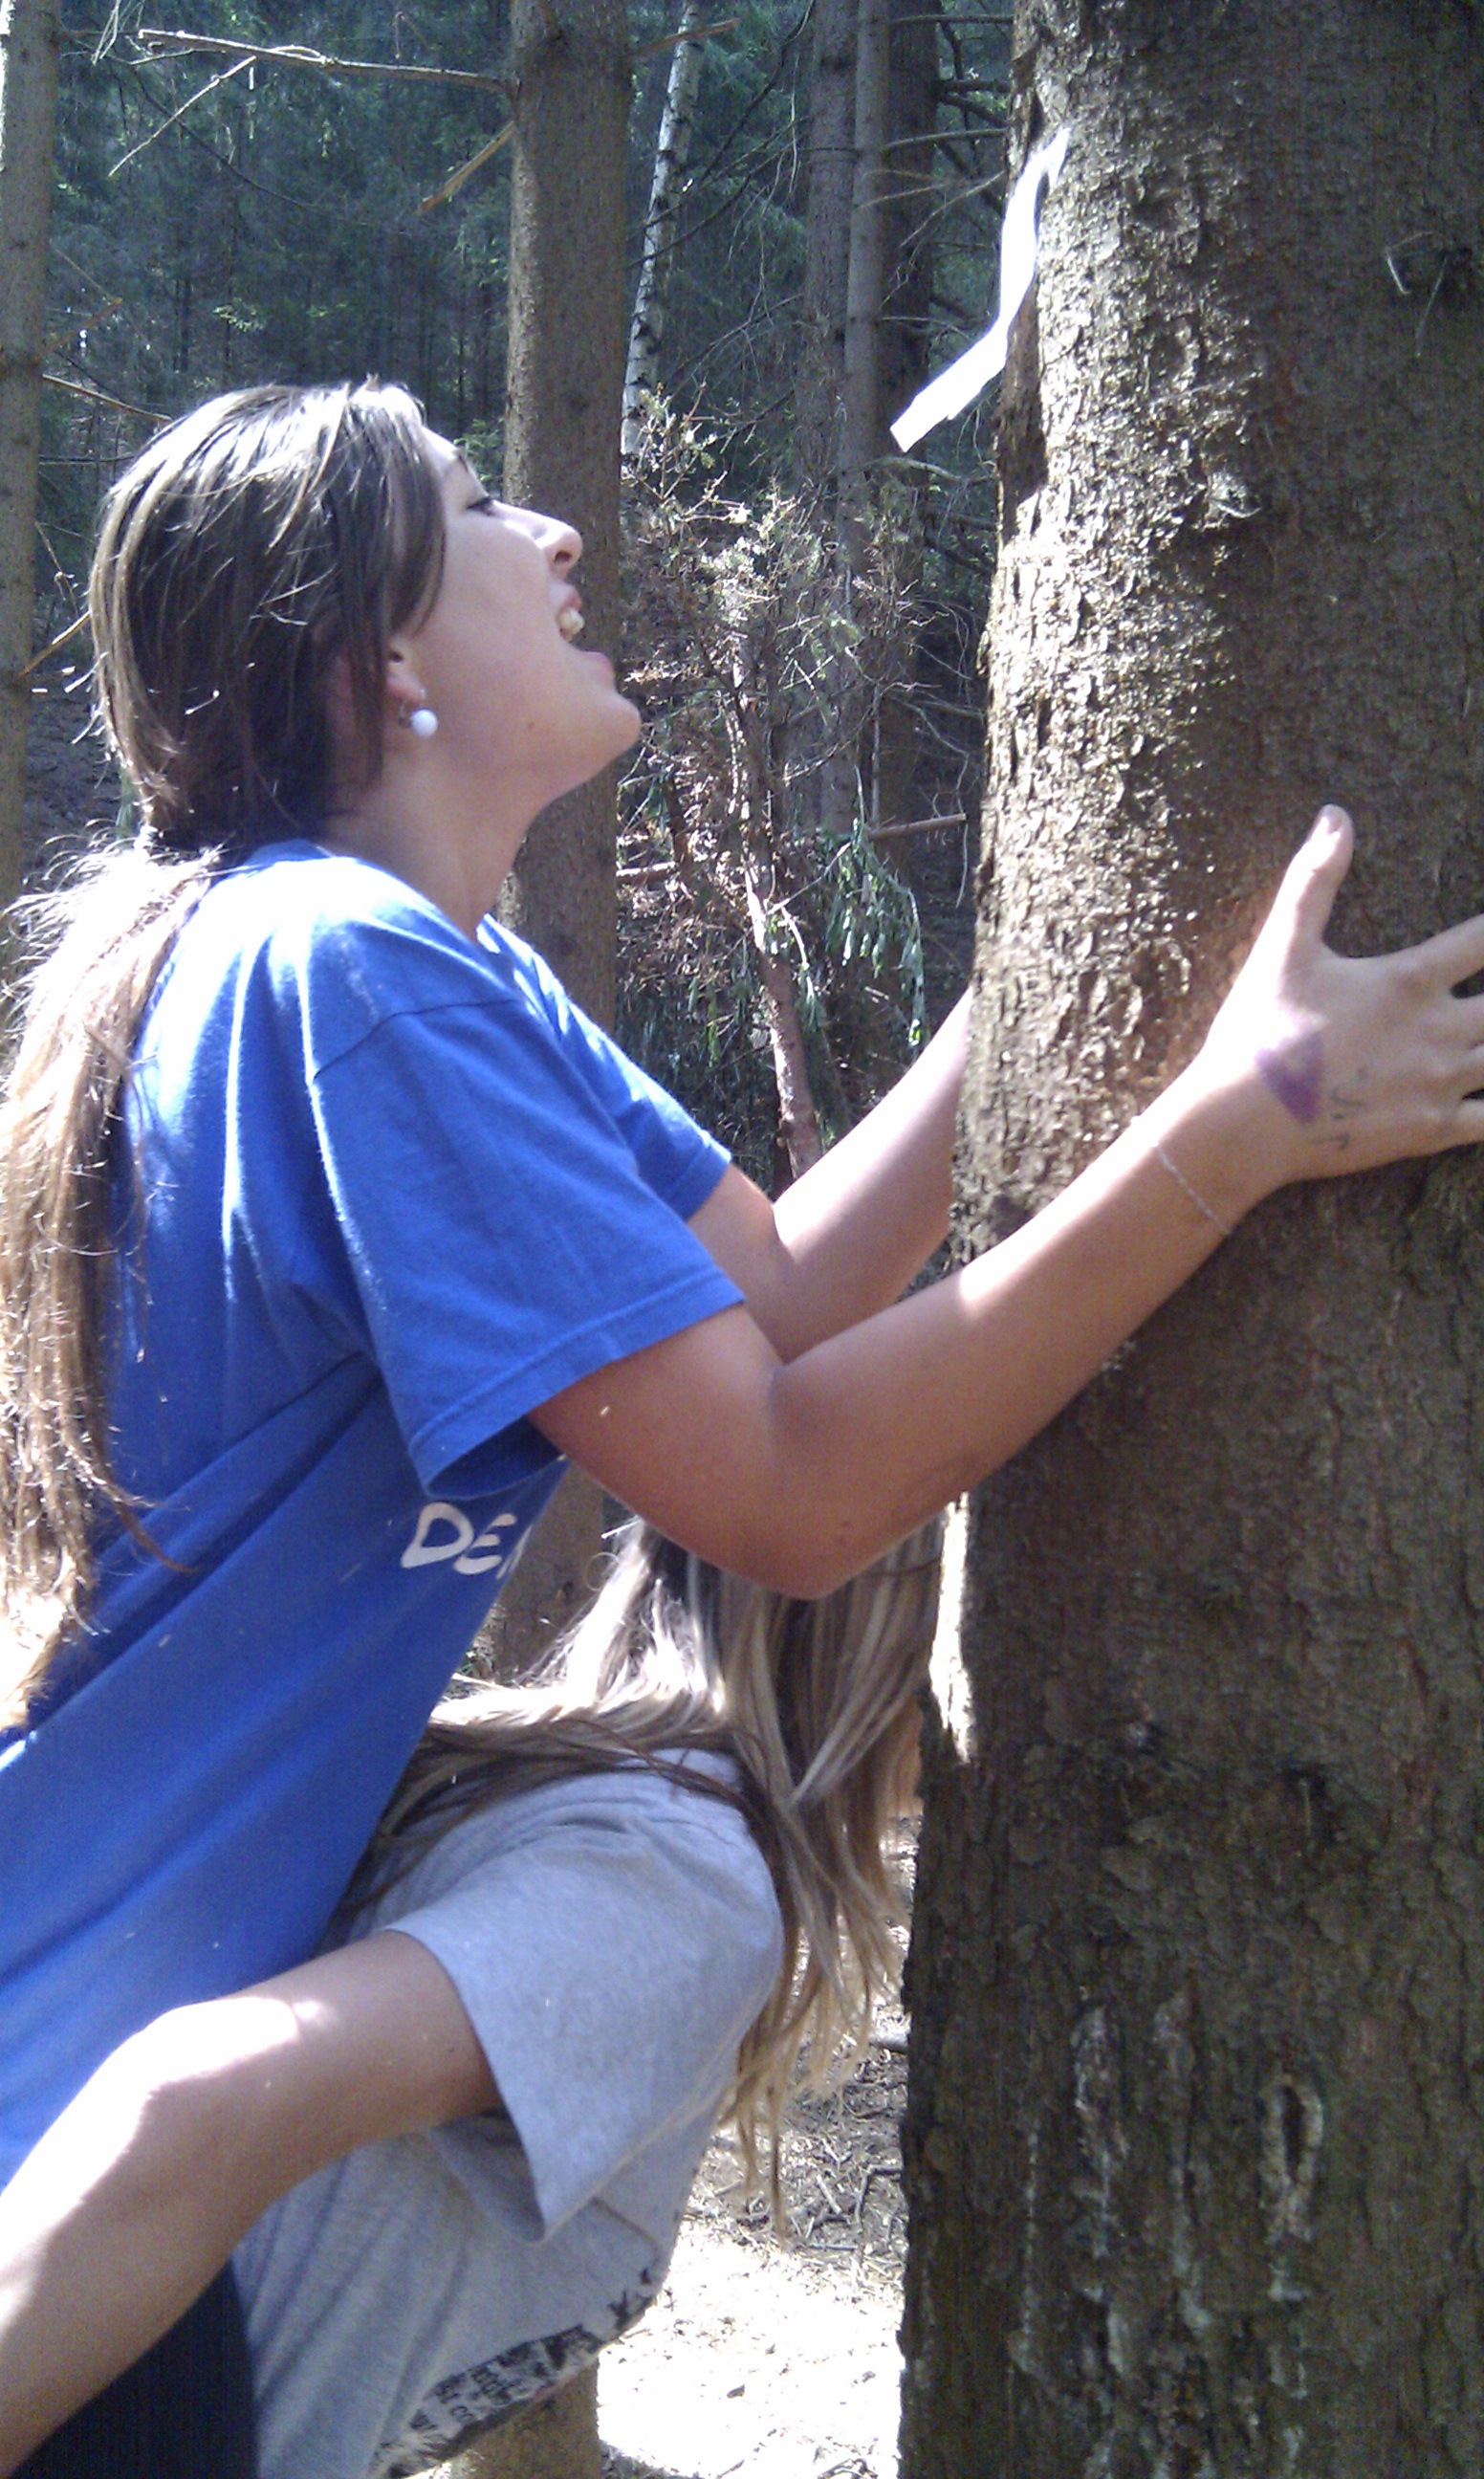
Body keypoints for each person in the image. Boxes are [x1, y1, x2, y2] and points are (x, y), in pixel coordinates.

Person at [1, 375, 1483, 2475]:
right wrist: (1240, 1132)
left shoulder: (439, 974)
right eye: (476, 506)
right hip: (67, 2221)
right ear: (377, 662)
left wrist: (1073, 952)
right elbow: (787, 1487)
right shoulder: (346, 973)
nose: (554, 535)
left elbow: (781, 1293)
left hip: (95, 2177)